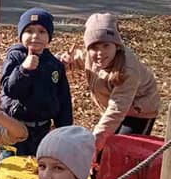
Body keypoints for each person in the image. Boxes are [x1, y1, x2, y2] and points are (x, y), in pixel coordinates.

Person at [60, 12, 160, 152]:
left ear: (117, 45)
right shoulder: (90, 56)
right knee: (104, 152)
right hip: (114, 110)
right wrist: (63, 62)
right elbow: (78, 58)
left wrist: (97, 138)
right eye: (94, 47)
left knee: (124, 153)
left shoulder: (127, 70)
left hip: (139, 111)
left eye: (106, 46)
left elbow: (117, 109)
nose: (100, 53)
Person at [0, 7, 73, 156]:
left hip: (42, 129)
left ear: (49, 37)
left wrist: (64, 131)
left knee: (38, 168)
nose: (35, 36)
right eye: (29, 31)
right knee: (11, 167)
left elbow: (63, 99)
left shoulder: (54, 65)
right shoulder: (15, 57)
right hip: (15, 128)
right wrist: (24, 70)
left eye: (41, 31)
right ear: (20, 36)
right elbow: (10, 89)